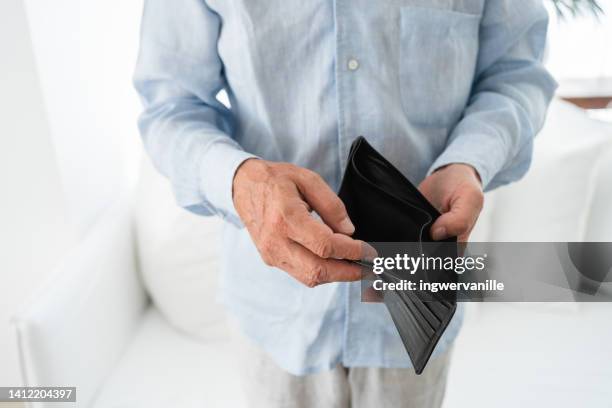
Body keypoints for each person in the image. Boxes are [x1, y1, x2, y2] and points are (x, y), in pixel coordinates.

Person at [134, 0, 556, 406]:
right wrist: (241, 181)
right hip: (276, 312)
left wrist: (469, 161)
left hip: (418, 297)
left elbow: (515, 74)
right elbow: (172, 106)